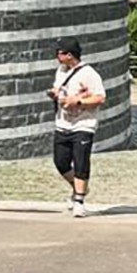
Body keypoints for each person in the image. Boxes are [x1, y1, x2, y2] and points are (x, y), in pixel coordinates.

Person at [49, 39, 106, 217]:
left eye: (59, 53)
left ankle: (79, 201)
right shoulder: (61, 71)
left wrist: (78, 101)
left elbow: (100, 97)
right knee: (61, 162)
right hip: (63, 123)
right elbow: (59, 88)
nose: (57, 56)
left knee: (81, 161)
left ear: (69, 55)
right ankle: (79, 187)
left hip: (83, 124)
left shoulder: (89, 74)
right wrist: (55, 93)